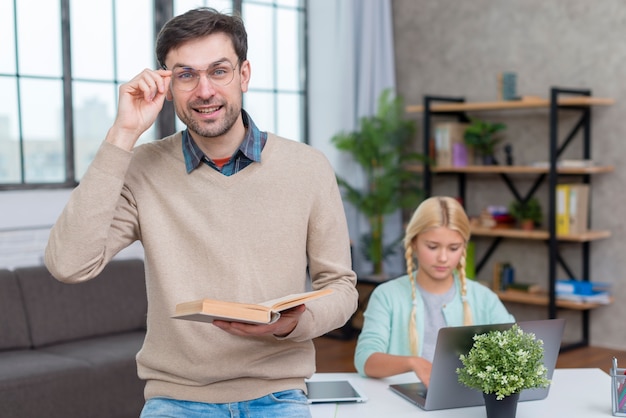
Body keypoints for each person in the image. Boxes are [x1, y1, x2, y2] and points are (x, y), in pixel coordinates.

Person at [44, 7, 358, 418]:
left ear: (244, 74)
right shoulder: (142, 168)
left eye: (219, 71)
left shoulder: (308, 167)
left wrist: (289, 325)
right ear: (167, 86)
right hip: (176, 399)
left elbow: (341, 287)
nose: (204, 90)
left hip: (279, 394)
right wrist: (122, 135)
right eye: (186, 75)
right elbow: (68, 264)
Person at [353, 196, 513, 387]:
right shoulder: (386, 295)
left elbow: (514, 349)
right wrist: (412, 363)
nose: (443, 258)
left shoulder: (484, 298)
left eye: (453, 248)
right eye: (432, 246)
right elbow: (365, 359)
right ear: (413, 243)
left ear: (463, 248)